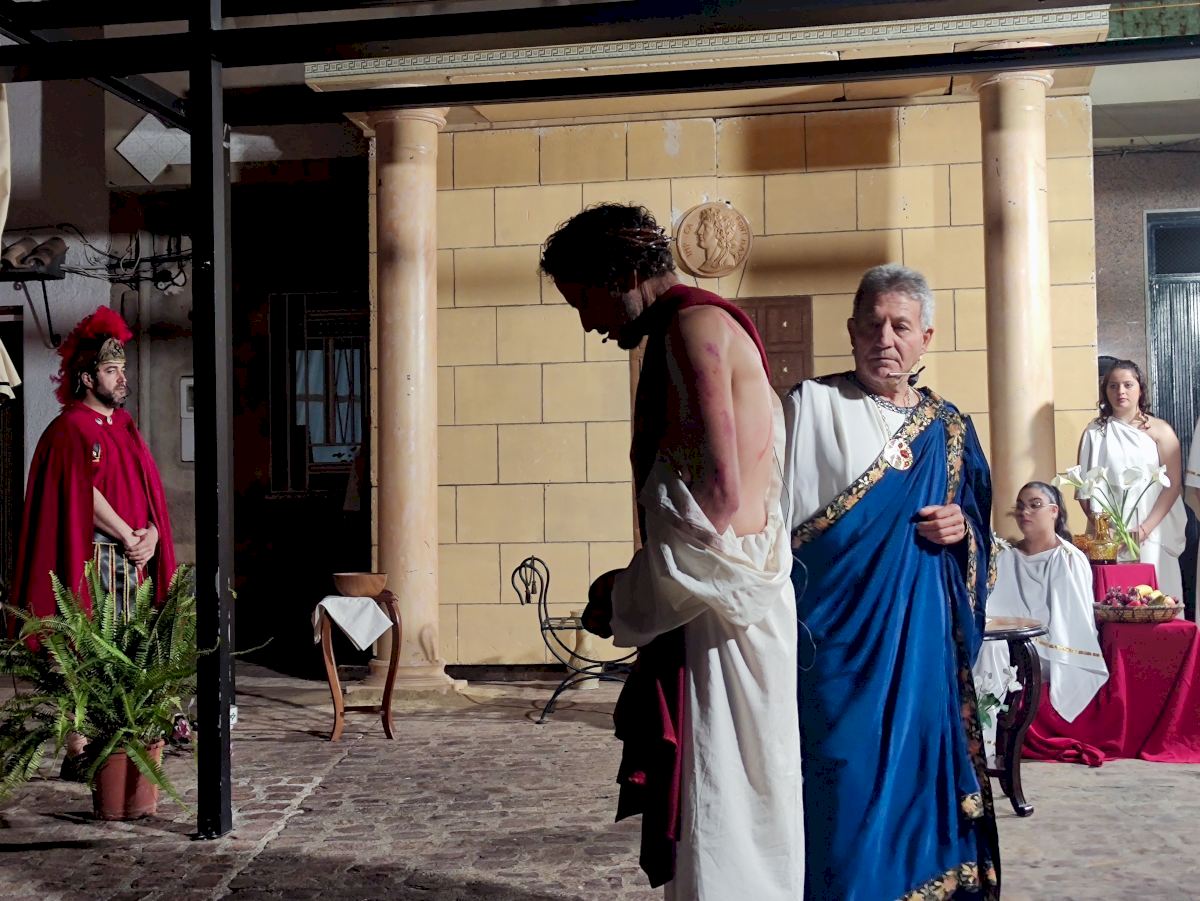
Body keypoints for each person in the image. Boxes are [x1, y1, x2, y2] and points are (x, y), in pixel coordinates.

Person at [540, 204, 802, 900]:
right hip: (728, 602)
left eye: (585, 300)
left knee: (724, 807)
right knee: (738, 802)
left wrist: (628, 593)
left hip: (721, 615)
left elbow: (719, 498)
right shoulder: (695, 325)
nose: (589, 323)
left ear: (623, 274)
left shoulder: (692, 328)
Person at [783, 263, 999, 900]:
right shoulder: (810, 407)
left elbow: (982, 537)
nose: (885, 339)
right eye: (872, 325)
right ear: (851, 331)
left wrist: (962, 530)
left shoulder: (950, 430)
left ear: (925, 337)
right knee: (839, 780)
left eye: (901, 326)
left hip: (920, 655)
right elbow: (766, 525)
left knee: (918, 780)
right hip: (832, 647)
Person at [10, 305, 176, 623]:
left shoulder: (125, 425)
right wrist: (129, 538)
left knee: (134, 644)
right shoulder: (70, 428)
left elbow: (149, 491)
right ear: (87, 378)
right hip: (100, 559)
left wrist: (154, 534)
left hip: (137, 555)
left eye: (122, 369)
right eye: (111, 371)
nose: (122, 378)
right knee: (101, 642)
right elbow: (80, 491)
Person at [974, 482, 1107, 738]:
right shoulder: (1005, 557)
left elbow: (1074, 620)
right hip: (1006, 640)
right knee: (989, 646)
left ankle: (984, 738)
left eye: (1035, 505)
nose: (1025, 512)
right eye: (1021, 506)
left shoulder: (1068, 558)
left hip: (1051, 648)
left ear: (1054, 511)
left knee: (994, 649)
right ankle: (980, 736)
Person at [1076, 360, 1186, 600]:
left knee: (1157, 598)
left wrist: (1145, 529)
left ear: (1140, 388)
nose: (1121, 391)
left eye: (1128, 385)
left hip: (1153, 530)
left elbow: (1173, 484)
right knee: (1116, 600)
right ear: (1105, 391)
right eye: (1113, 386)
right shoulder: (1094, 432)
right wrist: (1106, 530)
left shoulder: (1161, 431)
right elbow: (1084, 490)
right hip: (1110, 536)